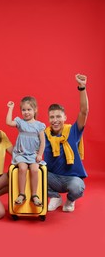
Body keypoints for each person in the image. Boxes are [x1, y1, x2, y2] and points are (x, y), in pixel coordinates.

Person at [44, 73, 89, 212]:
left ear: (65, 117)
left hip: (71, 178)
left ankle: (70, 200)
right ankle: (55, 197)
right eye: (52, 117)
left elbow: (84, 111)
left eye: (58, 116)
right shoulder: (44, 134)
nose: (55, 120)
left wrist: (82, 88)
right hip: (53, 178)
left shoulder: (73, 131)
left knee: (77, 187)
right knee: (35, 173)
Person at [6, 96, 46, 207]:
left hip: (33, 154)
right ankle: (22, 194)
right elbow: (8, 122)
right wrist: (10, 108)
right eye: (24, 110)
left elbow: (43, 142)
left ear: (35, 110)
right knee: (22, 168)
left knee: (34, 169)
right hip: (21, 154)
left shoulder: (39, 125)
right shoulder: (20, 122)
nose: (26, 112)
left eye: (29, 109)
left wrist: (39, 155)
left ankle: (34, 195)